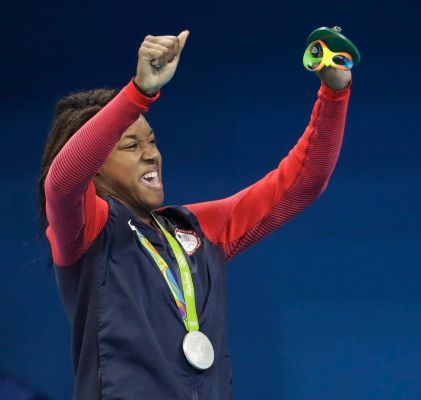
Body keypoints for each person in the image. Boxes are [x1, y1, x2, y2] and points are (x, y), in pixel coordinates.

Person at [38, 29, 352, 400]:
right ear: (96, 167)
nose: (151, 154)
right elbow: (62, 181)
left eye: (152, 141)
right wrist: (139, 92)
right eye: (130, 145)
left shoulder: (194, 229)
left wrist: (334, 94)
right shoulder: (87, 230)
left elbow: (303, 182)